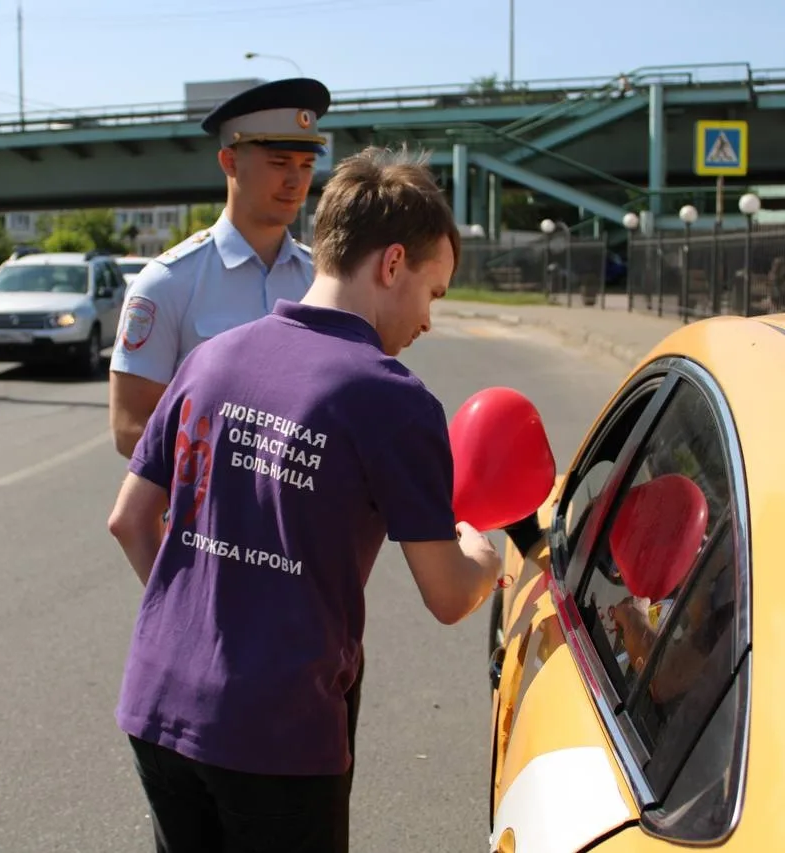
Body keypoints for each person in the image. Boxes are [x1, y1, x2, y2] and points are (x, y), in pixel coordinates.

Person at [106, 145, 503, 853]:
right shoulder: (392, 398)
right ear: (391, 264)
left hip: (159, 703)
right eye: (433, 293)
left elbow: (130, 520)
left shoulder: (212, 357)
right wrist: (485, 556)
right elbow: (449, 596)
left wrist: (211, 626)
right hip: (277, 731)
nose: (427, 321)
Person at [108, 76, 331, 459]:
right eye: (279, 162)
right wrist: (243, 469)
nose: (296, 181)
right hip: (205, 498)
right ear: (230, 161)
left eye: (307, 164)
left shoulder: (323, 279)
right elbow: (131, 428)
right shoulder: (167, 282)